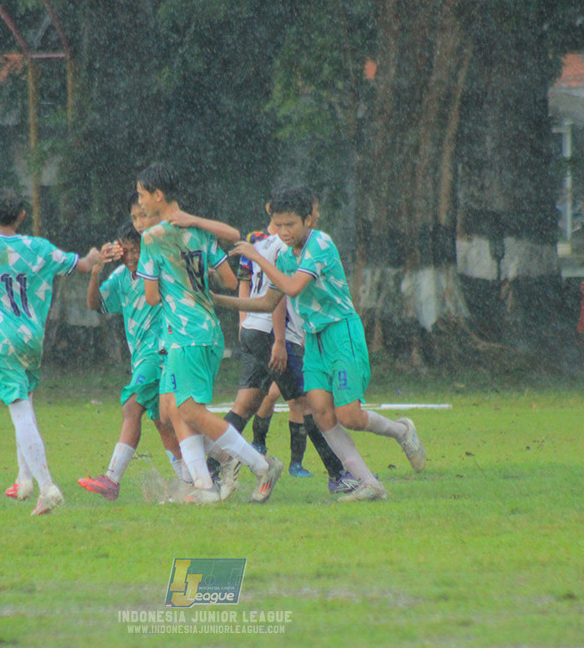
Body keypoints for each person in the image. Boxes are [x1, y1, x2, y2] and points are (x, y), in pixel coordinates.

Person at [214, 185, 426, 502]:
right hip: (314, 341)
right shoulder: (285, 256)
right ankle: (369, 483)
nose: (284, 232)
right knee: (322, 414)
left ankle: (401, 431)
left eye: (291, 225)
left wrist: (258, 256)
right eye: (279, 225)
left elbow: (294, 288)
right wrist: (215, 300)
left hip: (341, 333)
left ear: (308, 220)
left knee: (350, 416)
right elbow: (269, 301)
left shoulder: (320, 244)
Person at [0, 188, 103, 515]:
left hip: (2, 341)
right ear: (22, 215)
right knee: (26, 403)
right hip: (32, 338)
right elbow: (80, 265)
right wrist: (94, 258)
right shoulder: (38, 247)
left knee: (20, 412)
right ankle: (24, 479)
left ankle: (47, 486)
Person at [135, 163, 283, 504]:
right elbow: (230, 281)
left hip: (188, 334)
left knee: (191, 411)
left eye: (142, 195)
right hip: (196, 330)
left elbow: (151, 296)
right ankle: (202, 486)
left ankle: (258, 465)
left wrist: (173, 284)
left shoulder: (152, 239)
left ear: (158, 196)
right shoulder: (198, 231)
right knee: (172, 408)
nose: (140, 203)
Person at [225, 214, 356, 491]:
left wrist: (239, 317)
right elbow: (279, 297)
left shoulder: (261, 243)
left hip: (253, 329)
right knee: (307, 404)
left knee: (245, 405)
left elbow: (253, 286)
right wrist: (280, 341)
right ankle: (338, 476)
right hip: (272, 333)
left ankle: (210, 467)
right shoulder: (288, 249)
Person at [78, 202, 187, 501]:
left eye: (135, 250)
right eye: (125, 251)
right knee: (163, 422)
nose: (130, 257)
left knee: (131, 406)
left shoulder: (160, 271)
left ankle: (112, 479)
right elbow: (95, 305)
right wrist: (96, 271)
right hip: (140, 356)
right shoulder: (122, 278)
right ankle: (191, 481)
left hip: (159, 352)